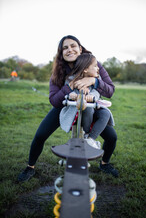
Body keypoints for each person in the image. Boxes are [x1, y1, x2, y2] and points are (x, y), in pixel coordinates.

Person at [18, 35, 118, 182]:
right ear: (61, 53)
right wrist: (70, 86)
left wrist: (94, 81)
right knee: (40, 135)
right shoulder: (58, 72)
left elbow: (110, 90)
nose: (69, 50)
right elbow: (54, 101)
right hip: (66, 105)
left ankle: (105, 164)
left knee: (112, 137)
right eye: (65, 48)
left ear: (80, 48)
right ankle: (30, 167)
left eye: (73, 46)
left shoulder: (94, 64)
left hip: (90, 104)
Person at [60, 53, 115, 150]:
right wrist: (72, 95)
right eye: (95, 66)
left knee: (106, 113)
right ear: (85, 69)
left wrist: (91, 96)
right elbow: (68, 91)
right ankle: (86, 132)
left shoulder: (97, 79)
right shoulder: (71, 79)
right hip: (78, 108)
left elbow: (97, 92)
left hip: (94, 105)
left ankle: (90, 139)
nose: (98, 68)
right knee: (87, 109)